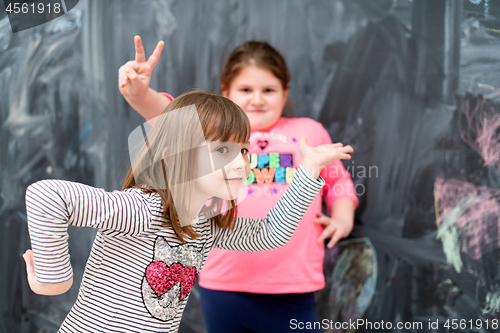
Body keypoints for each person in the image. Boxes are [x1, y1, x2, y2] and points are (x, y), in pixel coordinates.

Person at [23, 91, 353, 333]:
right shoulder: (144, 209)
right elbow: (47, 195)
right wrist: (55, 281)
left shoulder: (204, 224)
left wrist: (308, 169)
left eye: (242, 150)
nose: (241, 163)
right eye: (222, 150)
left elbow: (269, 233)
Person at [119, 37, 359, 332]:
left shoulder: (308, 133)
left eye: (268, 90)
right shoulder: (213, 132)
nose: (257, 99)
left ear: (285, 93)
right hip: (223, 283)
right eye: (246, 90)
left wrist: (343, 217)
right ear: (226, 93)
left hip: (292, 285)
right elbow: (170, 117)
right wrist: (140, 94)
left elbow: (338, 181)